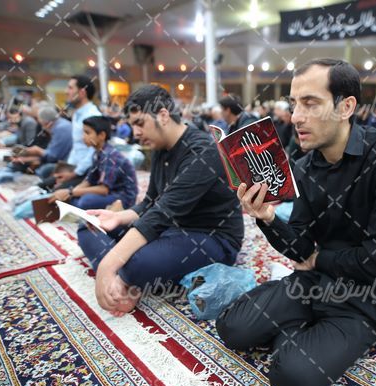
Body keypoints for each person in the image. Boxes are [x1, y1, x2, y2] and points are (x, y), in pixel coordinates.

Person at [216, 58, 376, 386]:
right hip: (314, 282)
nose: (296, 116)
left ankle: (296, 329)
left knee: (292, 380)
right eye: (294, 104)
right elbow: (299, 247)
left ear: (346, 107)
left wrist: (317, 259)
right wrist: (268, 218)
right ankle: (299, 325)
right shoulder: (304, 166)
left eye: (310, 103)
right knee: (231, 328)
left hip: (365, 298)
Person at [76, 85, 244, 317]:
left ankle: (126, 275)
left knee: (135, 263)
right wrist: (118, 217)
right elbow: (151, 202)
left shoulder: (203, 150)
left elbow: (162, 212)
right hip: (171, 227)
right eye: (132, 125)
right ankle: (126, 281)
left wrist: (107, 266)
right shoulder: (160, 148)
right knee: (88, 228)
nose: (135, 132)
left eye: (140, 123)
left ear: (163, 115)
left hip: (211, 237)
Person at [48, 116, 137, 209]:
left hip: (123, 197)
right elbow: (89, 180)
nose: (83, 137)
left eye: (87, 133)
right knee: (71, 197)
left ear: (102, 135)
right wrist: (70, 193)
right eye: (83, 132)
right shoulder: (97, 153)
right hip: (110, 193)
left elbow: (104, 190)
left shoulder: (110, 156)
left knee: (86, 201)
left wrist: (70, 192)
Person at [39, 75, 101, 191]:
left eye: (70, 88)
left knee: (54, 193)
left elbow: (94, 153)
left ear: (82, 92)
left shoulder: (92, 115)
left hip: (86, 172)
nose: (66, 91)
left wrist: (74, 173)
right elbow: (76, 147)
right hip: (74, 167)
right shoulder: (77, 114)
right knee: (41, 186)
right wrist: (66, 169)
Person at [11, 105, 73, 178]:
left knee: (44, 169)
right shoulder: (60, 124)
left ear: (47, 122)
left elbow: (53, 157)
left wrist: (37, 151)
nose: (42, 127)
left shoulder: (60, 129)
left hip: (65, 163)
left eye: (41, 123)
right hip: (59, 159)